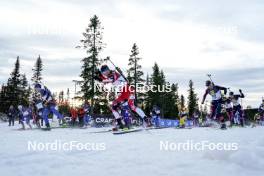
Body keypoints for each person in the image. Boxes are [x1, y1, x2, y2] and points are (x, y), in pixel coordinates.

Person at [94, 65, 149, 130]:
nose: (105, 73)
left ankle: (128, 124)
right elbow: (106, 80)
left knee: (125, 105)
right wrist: (100, 75)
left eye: (105, 71)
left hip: (127, 90)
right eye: (103, 72)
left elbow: (108, 80)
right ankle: (121, 123)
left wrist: (99, 78)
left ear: (108, 70)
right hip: (125, 92)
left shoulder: (113, 74)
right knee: (117, 106)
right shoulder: (109, 75)